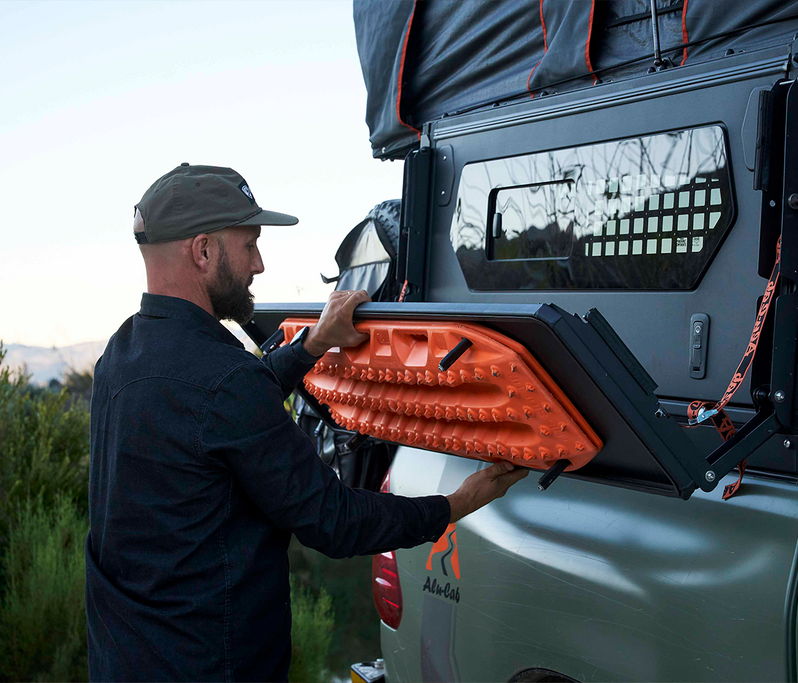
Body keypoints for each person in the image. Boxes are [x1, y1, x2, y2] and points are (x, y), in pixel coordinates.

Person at [85, 164, 527, 682]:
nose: (259, 264)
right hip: (210, 665)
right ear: (202, 251)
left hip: (125, 658)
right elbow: (335, 521)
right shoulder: (224, 381)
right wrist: (457, 504)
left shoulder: (123, 353)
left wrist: (312, 344)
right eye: (250, 245)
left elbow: (218, 412)